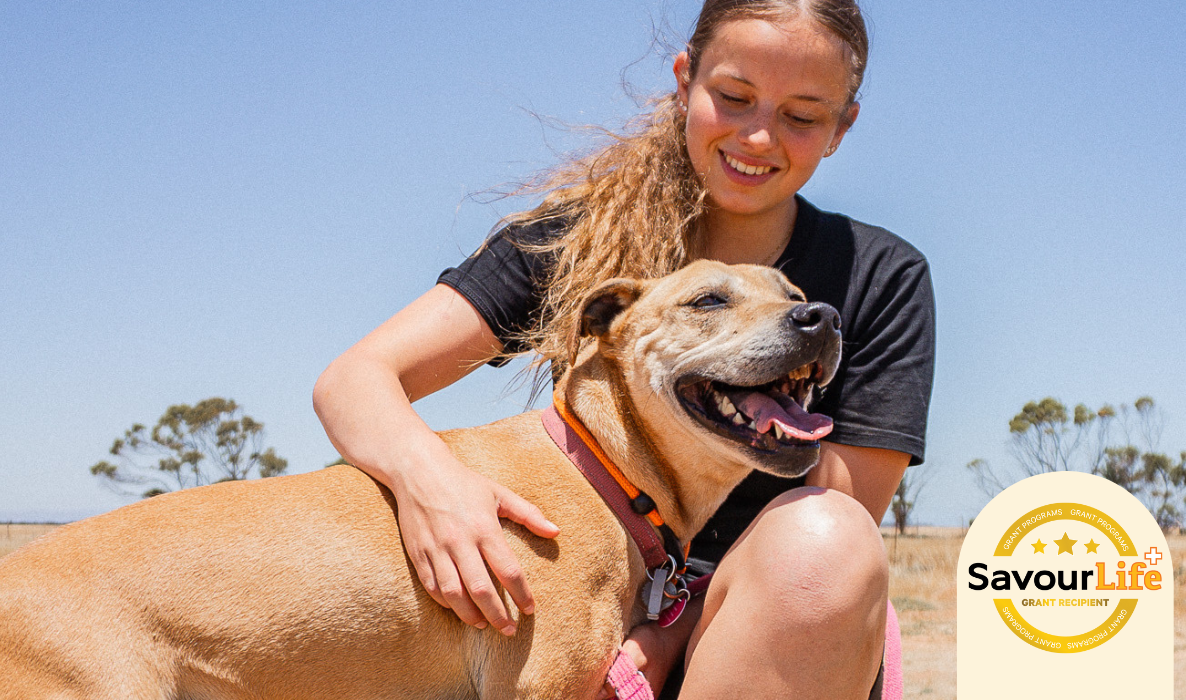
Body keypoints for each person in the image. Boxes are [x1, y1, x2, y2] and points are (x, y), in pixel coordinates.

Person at [313, 1, 935, 697]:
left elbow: (834, 529)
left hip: (768, 634)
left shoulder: (880, 276)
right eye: (733, 97)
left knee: (827, 537)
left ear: (842, 127)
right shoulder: (579, 234)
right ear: (684, 80)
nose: (759, 136)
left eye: (803, 115)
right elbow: (355, 379)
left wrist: (667, 633)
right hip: (586, 606)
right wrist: (435, 487)